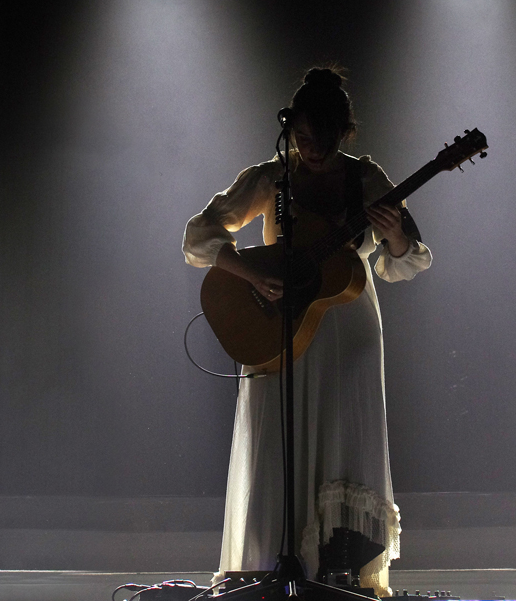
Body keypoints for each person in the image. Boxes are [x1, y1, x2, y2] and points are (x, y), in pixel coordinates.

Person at [182, 67, 431, 595]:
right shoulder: (270, 177)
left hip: (347, 329)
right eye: (301, 137)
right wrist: (252, 274)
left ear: (344, 132)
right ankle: (271, 574)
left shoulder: (365, 180)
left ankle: (341, 578)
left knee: (342, 444)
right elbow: (200, 233)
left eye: (322, 139)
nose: (311, 149)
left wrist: (394, 238)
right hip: (281, 322)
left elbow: (404, 261)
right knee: (277, 446)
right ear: (289, 130)